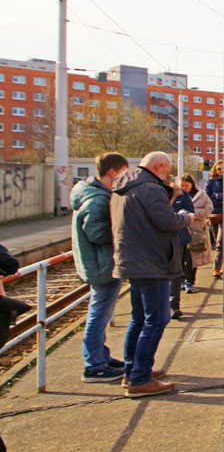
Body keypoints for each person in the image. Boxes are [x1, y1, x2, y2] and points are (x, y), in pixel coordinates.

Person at [111, 151, 193, 398]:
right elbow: (166, 221)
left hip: (132, 258)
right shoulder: (149, 188)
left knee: (139, 318)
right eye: (166, 172)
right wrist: (184, 218)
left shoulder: (125, 185)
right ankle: (140, 378)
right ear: (159, 167)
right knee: (157, 318)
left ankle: (132, 370)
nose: (167, 177)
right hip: (151, 260)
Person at [71, 152, 129, 382]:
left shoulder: (93, 194)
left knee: (101, 311)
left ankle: (99, 356)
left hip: (99, 262)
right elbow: (96, 233)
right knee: (99, 312)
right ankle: (94, 365)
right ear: (112, 172)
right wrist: (122, 227)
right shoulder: (97, 200)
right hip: (102, 264)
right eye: (122, 173)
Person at [180, 174, 213, 292]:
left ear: (192, 185)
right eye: (182, 185)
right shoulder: (177, 194)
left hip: (195, 230)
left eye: (186, 185)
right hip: (180, 229)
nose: (184, 188)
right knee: (180, 256)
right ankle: (181, 279)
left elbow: (209, 208)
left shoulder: (201, 196)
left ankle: (190, 281)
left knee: (192, 258)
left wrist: (193, 214)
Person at [168, 178, 195, 320]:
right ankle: (165, 303)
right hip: (159, 239)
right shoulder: (153, 194)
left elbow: (191, 212)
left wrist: (181, 216)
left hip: (178, 237)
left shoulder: (182, 195)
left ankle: (174, 305)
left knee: (175, 271)